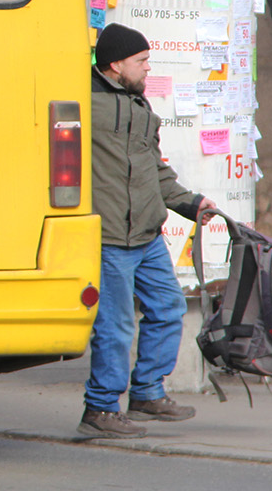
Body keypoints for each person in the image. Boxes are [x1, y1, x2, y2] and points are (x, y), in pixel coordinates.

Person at [79, 23, 217, 439]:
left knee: (168, 309)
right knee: (116, 326)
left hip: (146, 234)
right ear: (116, 64)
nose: (147, 68)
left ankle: (146, 394)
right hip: (109, 238)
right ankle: (101, 408)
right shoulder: (84, 105)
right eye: (141, 61)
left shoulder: (140, 108)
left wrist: (190, 204)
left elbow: (154, 171)